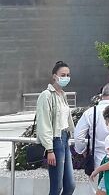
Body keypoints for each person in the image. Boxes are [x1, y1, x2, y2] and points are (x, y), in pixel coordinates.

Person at [36, 60, 75, 195]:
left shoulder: (63, 95)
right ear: (54, 76)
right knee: (56, 187)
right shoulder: (46, 95)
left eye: (68, 75)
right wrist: (49, 149)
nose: (65, 78)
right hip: (55, 141)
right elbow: (44, 123)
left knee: (70, 186)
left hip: (65, 139)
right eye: (62, 75)